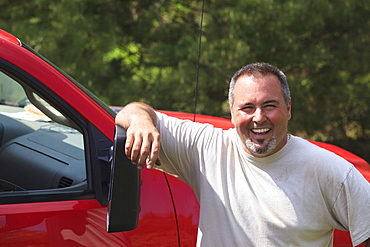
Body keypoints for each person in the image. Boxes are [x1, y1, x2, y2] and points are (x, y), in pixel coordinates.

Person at [116, 62, 370, 246]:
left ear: (289, 109)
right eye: (247, 107)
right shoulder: (206, 146)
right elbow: (128, 111)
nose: (258, 117)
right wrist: (141, 122)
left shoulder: (330, 170)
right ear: (232, 113)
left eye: (270, 105)